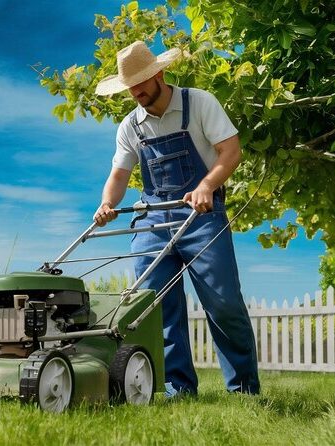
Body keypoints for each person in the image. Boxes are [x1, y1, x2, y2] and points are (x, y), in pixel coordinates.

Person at [93, 41, 260, 396]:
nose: (136, 92)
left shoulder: (199, 102)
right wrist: (107, 203)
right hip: (153, 219)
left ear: (159, 73)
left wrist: (207, 186)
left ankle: (243, 389)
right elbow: (120, 175)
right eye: (130, 87)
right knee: (158, 308)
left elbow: (230, 151)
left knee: (224, 302)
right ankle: (178, 388)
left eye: (141, 82)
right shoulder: (130, 126)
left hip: (201, 216)